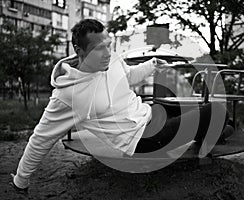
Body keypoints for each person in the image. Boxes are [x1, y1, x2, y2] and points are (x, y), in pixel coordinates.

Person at [11, 19, 232, 193]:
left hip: (148, 114)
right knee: (216, 111)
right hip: (140, 139)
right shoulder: (68, 94)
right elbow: (41, 138)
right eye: (99, 49)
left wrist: (152, 65)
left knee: (202, 110)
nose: (108, 54)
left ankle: (210, 130)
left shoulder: (112, 59)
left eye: (109, 46)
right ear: (80, 51)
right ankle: (209, 136)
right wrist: (21, 179)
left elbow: (128, 75)